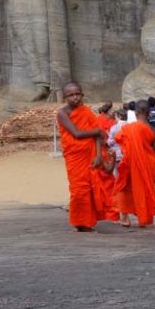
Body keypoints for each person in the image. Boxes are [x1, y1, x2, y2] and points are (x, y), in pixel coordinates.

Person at [56, 82, 108, 232]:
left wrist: (99, 155)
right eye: (71, 95)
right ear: (65, 97)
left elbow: (97, 137)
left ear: (82, 94)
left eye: (77, 94)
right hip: (75, 157)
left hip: (90, 155)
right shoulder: (62, 113)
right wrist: (97, 131)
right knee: (79, 191)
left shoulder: (86, 112)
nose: (75, 98)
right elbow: (77, 134)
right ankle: (79, 222)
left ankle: (87, 223)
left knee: (91, 189)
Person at [113, 99, 155, 227]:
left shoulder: (129, 128)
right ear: (148, 112)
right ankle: (142, 217)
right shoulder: (152, 129)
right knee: (144, 188)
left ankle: (124, 218)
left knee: (125, 188)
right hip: (148, 162)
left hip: (131, 161)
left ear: (136, 111)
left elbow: (118, 138)